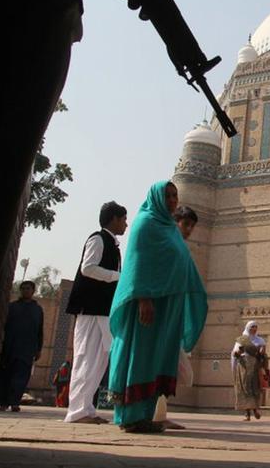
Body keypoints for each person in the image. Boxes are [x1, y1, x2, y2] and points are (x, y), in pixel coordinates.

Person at [107, 181, 208, 433]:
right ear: (157, 196)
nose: (173, 200)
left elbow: (179, 261)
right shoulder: (145, 223)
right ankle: (130, 416)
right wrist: (143, 298)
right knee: (141, 355)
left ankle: (145, 416)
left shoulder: (168, 227)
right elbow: (138, 263)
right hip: (149, 304)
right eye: (168, 195)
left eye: (175, 195)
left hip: (168, 306)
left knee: (157, 358)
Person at [63, 202, 127, 425]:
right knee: (85, 358)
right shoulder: (97, 239)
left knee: (99, 359)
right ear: (114, 219)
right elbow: (87, 268)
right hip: (90, 308)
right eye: (124, 219)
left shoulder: (113, 245)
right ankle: (76, 411)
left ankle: (86, 408)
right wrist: (117, 277)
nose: (126, 224)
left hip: (103, 310)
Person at [151, 205, 200, 430]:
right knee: (158, 363)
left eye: (191, 226)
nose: (189, 230)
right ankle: (150, 413)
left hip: (173, 310)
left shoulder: (179, 245)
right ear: (175, 221)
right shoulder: (165, 240)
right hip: (159, 310)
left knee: (168, 365)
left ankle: (160, 414)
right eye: (186, 224)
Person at [0, 281, 45, 412]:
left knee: (21, 377)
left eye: (28, 288)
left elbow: (39, 331)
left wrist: (39, 349)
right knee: (5, 376)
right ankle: (3, 402)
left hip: (27, 350)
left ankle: (15, 402)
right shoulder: (12, 307)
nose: (25, 291)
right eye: (23, 289)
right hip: (9, 347)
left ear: (33, 291)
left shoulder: (37, 310)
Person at [233, 321, 267, 421]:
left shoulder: (260, 340)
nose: (254, 329)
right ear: (248, 328)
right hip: (243, 365)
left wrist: (261, 352)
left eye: (256, 327)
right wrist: (239, 352)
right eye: (252, 327)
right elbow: (235, 353)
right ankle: (247, 413)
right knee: (245, 388)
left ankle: (255, 410)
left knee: (254, 387)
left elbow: (262, 354)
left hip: (255, 366)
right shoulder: (242, 340)